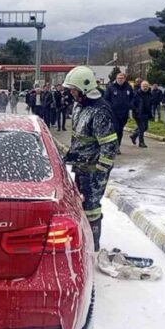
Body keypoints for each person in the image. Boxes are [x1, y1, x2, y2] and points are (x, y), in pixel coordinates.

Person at [63, 66, 117, 252]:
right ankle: (82, 241)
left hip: (94, 169)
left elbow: (109, 145)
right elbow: (80, 136)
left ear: (84, 88)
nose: (71, 93)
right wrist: (71, 154)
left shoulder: (100, 111)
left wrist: (101, 170)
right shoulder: (80, 105)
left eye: (74, 89)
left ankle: (93, 247)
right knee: (80, 203)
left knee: (91, 206)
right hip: (81, 166)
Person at [104, 72, 135, 154]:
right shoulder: (111, 87)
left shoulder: (128, 87)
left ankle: (118, 146)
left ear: (125, 79)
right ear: (116, 79)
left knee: (120, 130)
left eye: (122, 78)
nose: (120, 80)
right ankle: (113, 146)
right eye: (118, 78)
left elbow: (132, 97)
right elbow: (106, 99)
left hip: (124, 112)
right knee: (115, 129)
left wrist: (130, 105)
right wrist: (110, 107)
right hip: (114, 112)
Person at [130, 80, 152, 148]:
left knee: (145, 128)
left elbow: (150, 103)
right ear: (141, 86)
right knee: (142, 127)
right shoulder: (137, 93)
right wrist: (136, 110)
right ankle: (141, 142)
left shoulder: (149, 93)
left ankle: (133, 135)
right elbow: (132, 103)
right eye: (144, 86)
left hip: (146, 113)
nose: (145, 87)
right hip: (138, 113)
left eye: (146, 86)